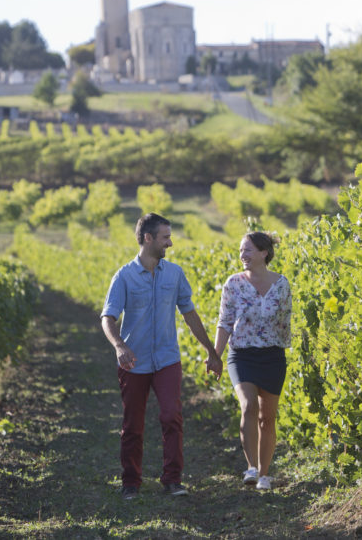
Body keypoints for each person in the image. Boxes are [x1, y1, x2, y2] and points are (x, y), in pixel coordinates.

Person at [101, 213, 222, 500]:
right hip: (134, 361)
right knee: (133, 424)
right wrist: (119, 346)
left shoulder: (175, 274)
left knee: (172, 416)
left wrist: (211, 350)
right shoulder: (124, 276)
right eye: (165, 237)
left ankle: (172, 479)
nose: (170, 242)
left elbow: (189, 313)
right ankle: (131, 482)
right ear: (148, 238)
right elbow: (108, 317)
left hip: (167, 359)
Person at [213, 231, 292, 490]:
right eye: (240, 251)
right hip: (242, 354)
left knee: (267, 418)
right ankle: (252, 468)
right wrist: (215, 356)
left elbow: (285, 324)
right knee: (248, 406)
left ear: (263, 253)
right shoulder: (233, 283)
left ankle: (265, 475)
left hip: (272, 356)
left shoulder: (282, 284)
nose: (242, 256)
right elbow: (224, 323)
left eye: (247, 250)